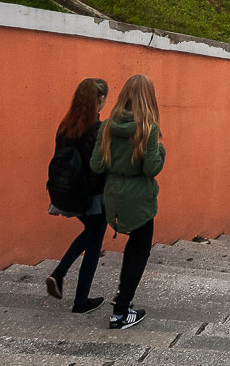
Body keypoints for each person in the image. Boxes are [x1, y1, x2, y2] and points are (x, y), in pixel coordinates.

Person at [91, 74, 165, 330]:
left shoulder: (106, 126)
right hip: (139, 198)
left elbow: (96, 165)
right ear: (148, 98)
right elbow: (152, 168)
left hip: (114, 195)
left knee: (132, 248)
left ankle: (122, 298)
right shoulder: (148, 129)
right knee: (139, 251)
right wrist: (160, 150)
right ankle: (121, 312)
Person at [45, 78, 109, 314]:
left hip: (66, 192)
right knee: (93, 243)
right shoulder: (97, 129)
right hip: (91, 196)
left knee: (90, 234)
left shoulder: (65, 126)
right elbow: (97, 168)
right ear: (100, 99)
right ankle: (80, 300)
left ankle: (59, 274)